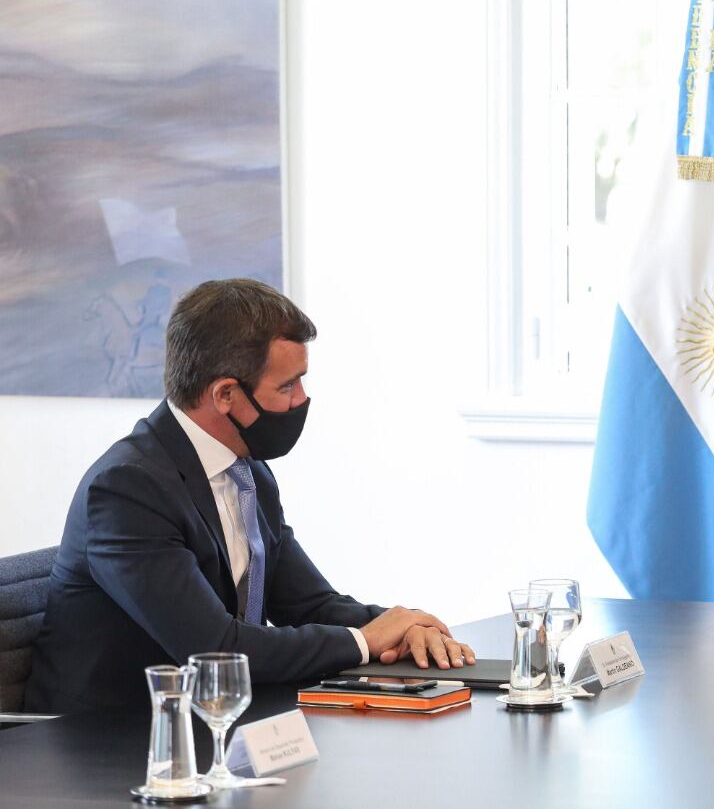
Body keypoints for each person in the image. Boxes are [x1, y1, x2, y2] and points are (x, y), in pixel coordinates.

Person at [27, 279, 474, 713]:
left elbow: (307, 604)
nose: (302, 399)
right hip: (104, 743)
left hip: (212, 721)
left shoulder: (247, 471)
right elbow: (216, 649)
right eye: (287, 386)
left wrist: (405, 625)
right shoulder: (128, 489)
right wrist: (365, 640)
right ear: (225, 394)